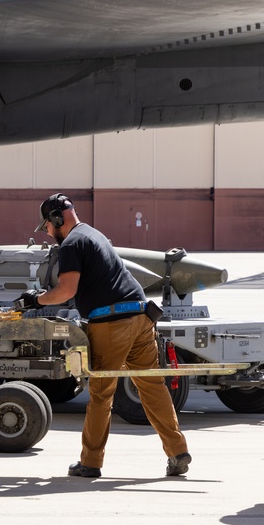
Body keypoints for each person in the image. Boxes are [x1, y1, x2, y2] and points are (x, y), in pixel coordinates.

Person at [15, 194, 191, 478]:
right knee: (152, 386)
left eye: (46, 226)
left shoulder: (71, 244)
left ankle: (91, 462)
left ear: (57, 219)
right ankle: (177, 451)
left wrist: (36, 300)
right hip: (141, 314)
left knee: (101, 393)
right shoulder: (95, 234)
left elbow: (66, 291)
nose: (47, 233)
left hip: (112, 323)